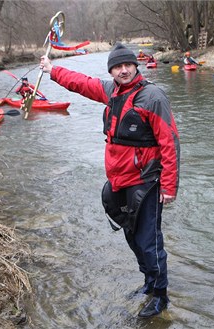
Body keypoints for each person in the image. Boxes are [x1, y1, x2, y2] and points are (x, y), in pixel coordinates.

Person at [40, 43, 180, 318]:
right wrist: (52, 70)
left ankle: (161, 295)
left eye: (127, 65)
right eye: (117, 66)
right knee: (132, 237)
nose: (123, 70)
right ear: (112, 71)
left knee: (149, 241)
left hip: (147, 181)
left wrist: (169, 186)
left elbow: (170, 142)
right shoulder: (111, 91)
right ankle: (149, 283)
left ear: (135, 66)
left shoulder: (152, 97)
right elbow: (81, 83)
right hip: (119, 181)